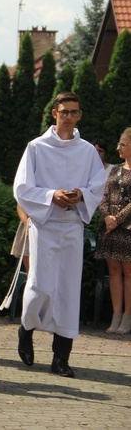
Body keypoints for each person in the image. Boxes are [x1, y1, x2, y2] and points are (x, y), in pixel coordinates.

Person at [14, 92, 105, 378]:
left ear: (79, 115)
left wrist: (80, 195)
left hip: (72, 227)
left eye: (74, 112)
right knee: (41, 285)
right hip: (45, 225)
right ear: (54, 113)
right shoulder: (36, 147)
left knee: (67, 291)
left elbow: (97, 187)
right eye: (64, 111)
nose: (69, 116)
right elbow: (22, 188)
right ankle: (26, 329)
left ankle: (61, 357)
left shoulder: (88, 150)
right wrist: (52, 195)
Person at [94, 128, 131, 334]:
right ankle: (116, 315)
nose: (118, 148)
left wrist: (117, 219)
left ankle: (128, 316)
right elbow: (103, 196)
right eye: (119, 143)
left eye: (123, 144)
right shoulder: (115, 170)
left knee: (129, 272)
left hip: (128, 229)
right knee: (114, 271)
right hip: (111, 228)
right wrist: (107, 217)